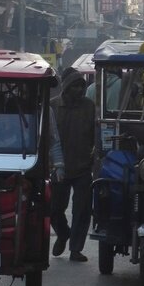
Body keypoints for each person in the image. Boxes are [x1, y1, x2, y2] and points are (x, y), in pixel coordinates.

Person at [51, 67, 95, 262]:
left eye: (81, 86)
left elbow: (97, 135)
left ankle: (76, 248)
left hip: (83, 167)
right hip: (59, 168)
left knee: (82, 210)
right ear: (66, 88)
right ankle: (63, 233)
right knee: (53, 209)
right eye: (75, 86)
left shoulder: (89, 107)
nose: (79, 90)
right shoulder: (53, 106)